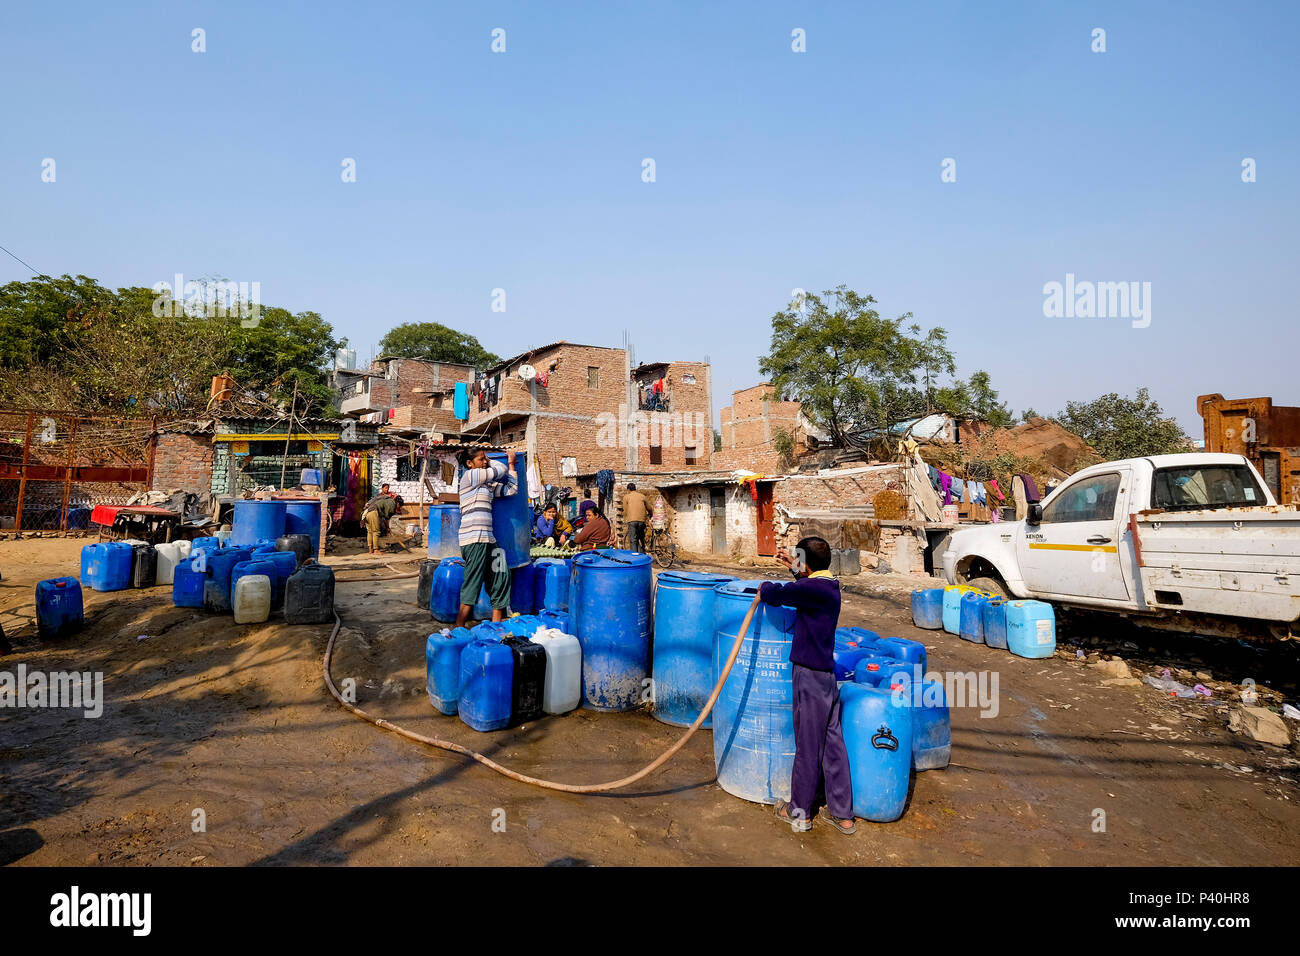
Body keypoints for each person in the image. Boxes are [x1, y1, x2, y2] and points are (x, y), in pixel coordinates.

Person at [760, 536, 855, 836]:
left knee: (807, 746)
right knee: (833, 745)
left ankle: (799, 812)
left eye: (798, 558)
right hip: (828, 677)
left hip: (809, 677)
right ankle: (844, 815)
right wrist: (795, 568)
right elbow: (803, 588)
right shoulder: (829, 587)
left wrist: (764, 588)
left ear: (807, 563)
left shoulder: (811, 589)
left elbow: (775, 594)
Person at [455, 449, 517, 626]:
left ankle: (496, 626)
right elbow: (500, 470)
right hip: (474, 539)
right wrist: (495, 462)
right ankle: (457, 629)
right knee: (473, 583)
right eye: (481, 459)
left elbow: (511, 489)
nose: (484, 461)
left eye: (485, 459)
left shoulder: (486, 486)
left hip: (489, 539)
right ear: (469, 463)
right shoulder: (470, 476)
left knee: (501, 576)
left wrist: (512, 465)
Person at [622, 482, 648, 552]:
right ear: (635, 489)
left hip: (632, 521)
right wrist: (651, 514)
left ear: (628, 489)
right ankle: (642, 553)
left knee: (633, 540)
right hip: (642, 521)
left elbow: (625, 510)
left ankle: (635, 557)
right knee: (640, 538)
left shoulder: (626, 497)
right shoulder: (642, 496)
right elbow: (649, 507)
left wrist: (626, 518)